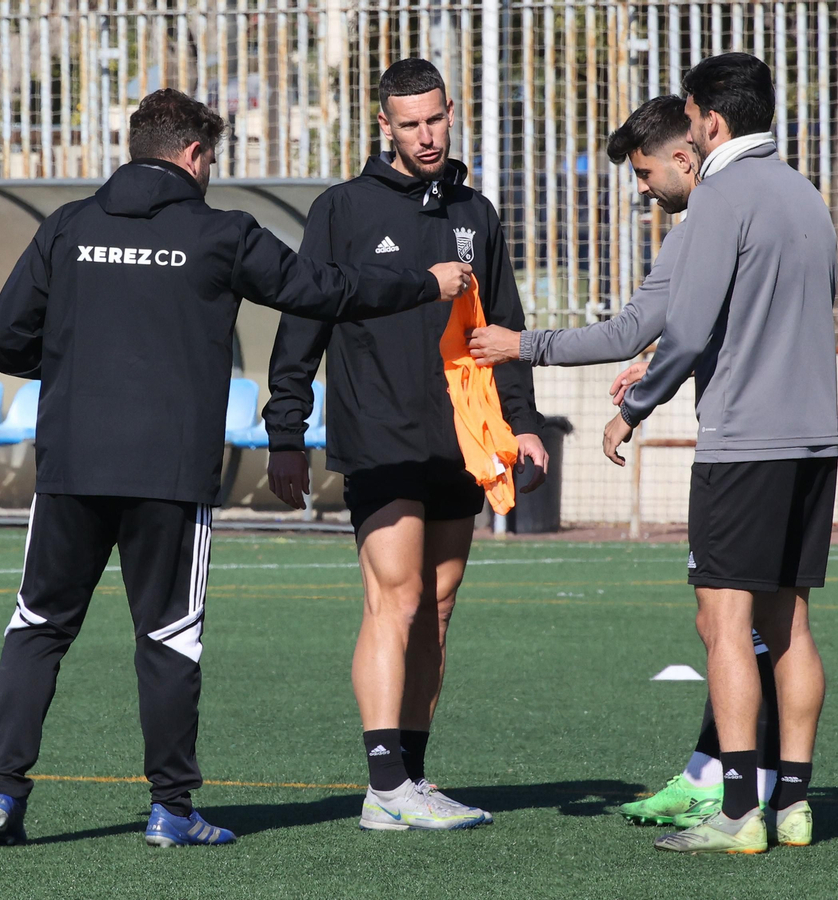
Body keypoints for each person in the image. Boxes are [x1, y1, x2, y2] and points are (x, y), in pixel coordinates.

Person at [0, 87, 474, 848]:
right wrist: (423, 283)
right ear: (194, 154)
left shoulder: (69, 227)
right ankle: (170, 810)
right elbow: (324, 291)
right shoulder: (219, 233)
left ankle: (5, 796)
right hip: (169, 473)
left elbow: (9, 337)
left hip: (72, 463)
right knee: (168, 637)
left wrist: (86, 374)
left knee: (39, 625)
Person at [466, 95, 782, 829]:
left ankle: (741, 790)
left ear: (687, 151)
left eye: (644, 173)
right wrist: (659, 361)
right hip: (800, 438)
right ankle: (748, 780)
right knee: (759, 622)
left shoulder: (708, 215)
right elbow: (720, 322)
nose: (640, 189)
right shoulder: (784, 199)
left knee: (730, 623)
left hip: (743, 446)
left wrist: (526, 345)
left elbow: (634, 325)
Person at [262, 58, 546, 832]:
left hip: (460, 438)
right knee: (398, 595)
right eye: (409, 123)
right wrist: (286, 430)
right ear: (383, 125)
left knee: (440, 608)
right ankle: (382, 783)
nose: (426, 135)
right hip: (378, 435)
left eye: (436, 119)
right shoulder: (342, 210)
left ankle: (412, 782)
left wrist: (522, 421)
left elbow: (500, 326)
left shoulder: (475, 213)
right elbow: (302, 323)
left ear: (452, 112)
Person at [602, 53, 838, 854]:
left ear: (706, 119)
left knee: (727, 626)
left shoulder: (721, 197)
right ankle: (795, 805)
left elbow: (689, 330)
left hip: (745, 445)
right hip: (815, 441)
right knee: (793, 624)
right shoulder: (806, 194)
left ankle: (738, 810)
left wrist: (634, 403)